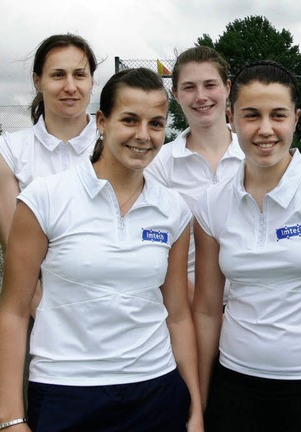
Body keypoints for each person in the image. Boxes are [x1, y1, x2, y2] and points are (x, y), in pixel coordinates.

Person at [0, 68, 203, 431]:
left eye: (156, 124)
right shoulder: (44, 199)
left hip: (156, 392)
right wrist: (11, 417)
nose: (143, 136)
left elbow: (177, 315)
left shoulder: (174, 209)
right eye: (130, 120)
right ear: (102, 122)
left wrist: (196, 409)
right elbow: (13, 312)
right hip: (66, 393)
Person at [192, 60, 301, 432]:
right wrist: (201, 404)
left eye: (278, 115)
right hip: (235, 384)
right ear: (231, 117)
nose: (265, 129)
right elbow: (207, 311)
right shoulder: (211, 203)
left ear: (296, 118)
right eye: (251, 115)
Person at [146, 46, 244, 301]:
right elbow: (155, 251)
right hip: (187, 307)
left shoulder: (255, 156)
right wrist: (203, 309)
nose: (201, 96)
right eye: (189, 87)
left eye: (210, 85)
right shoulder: (158, 165)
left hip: (253, 313)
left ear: (227, 88)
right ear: (175, 94)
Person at [0, 33, 97, 252]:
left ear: (91, 80)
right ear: (38, 81)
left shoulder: (116, 146)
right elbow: (15, 245)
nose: (70, 87)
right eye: (58, 75)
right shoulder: (9, 151)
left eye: (79, 75)